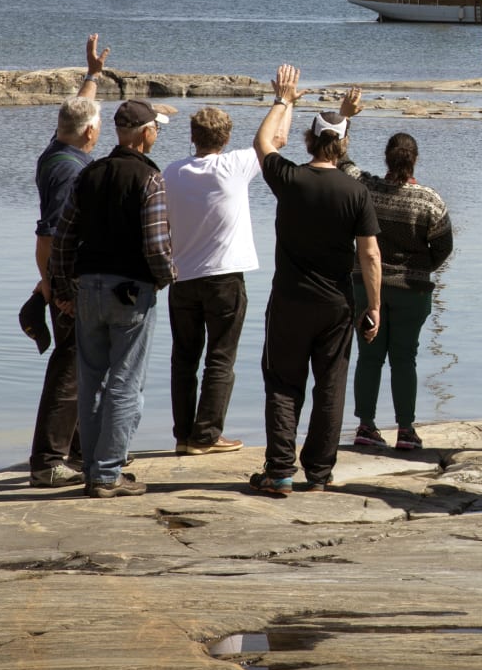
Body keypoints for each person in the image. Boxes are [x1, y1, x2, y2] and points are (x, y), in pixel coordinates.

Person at [247, 69, 382, 496]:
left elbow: (262, 143)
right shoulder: (355, 191)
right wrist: (374, 306)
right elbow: (371, 254)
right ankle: (320, 474)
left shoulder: (290, 179)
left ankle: (280, 471)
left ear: (308, 141)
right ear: (342, 146)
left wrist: (283, 100)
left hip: (289, 300)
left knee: (283, 384)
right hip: (337, 304)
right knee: (330, 386)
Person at [47, 97, 178, 498]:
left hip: (88, 288)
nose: (157, 133)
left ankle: (91, 468)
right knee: (126, 382)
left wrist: (66, 288)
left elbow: (64, 239)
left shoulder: (90, 174)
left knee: (91, 380)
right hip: (131, 292)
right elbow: (157, 248)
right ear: (145, 134)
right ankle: (106, 474)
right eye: (155, 127)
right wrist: (165, 279)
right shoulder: (149, 178)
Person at [27, 34, 110, 488]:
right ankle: (48, 461)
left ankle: (76, 451)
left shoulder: (58, 147)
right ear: (93, 134)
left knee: (82, 365)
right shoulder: (69, 170)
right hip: (67, 284)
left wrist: (92, 77)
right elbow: (49, 235)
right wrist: (54, 288)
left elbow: (77, 114)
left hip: (66, 280)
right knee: (71, 365)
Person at [344, 123, 454, 453]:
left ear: (386, 158)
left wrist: (346, 119)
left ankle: (365, 425)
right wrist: (420, 270)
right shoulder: (430, 200)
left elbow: (342, 161)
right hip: (412, 290)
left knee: (369, 356)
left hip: (365, 284)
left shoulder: (366, 189)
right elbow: (444, 247)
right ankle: (406, 430)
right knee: (405, 359)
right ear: (415, 160)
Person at [161, 106, 260, 456]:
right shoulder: (234, 165)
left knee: (183, 359)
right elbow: (272, 140)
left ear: (192, 136)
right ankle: (206, 435)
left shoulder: (171, 172)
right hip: (224, 278)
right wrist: (284, 101)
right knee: (220, 357)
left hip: (182, 277)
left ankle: (184, 435)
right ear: (227, 138)